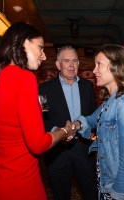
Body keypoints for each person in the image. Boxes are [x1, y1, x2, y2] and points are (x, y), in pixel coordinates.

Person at [0, 22, 76, 200]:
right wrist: (66, 130)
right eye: (40, 48)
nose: (43, 56)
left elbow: (3, 122)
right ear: (24, 42)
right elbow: (38, 144)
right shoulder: (24, 78)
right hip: (19, 183)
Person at [72, 44, 124, 200]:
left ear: (116, 66)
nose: (94, 71)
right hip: (108, 178)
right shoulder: (111, 100)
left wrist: (119, 193)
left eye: (99, 64)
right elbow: (92, 119)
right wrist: (76, 125)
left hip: (120, 186)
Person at [39, 45, 97, 200]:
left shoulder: (87, 86)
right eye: (67, 61)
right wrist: (58, 131)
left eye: (75, 61)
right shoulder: (44, 89)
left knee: (91, 193)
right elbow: (41, 119)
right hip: (57, 152)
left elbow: (92, 116)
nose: (72, 65)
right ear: (58, 65)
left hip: (83, 149)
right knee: (61, 195)